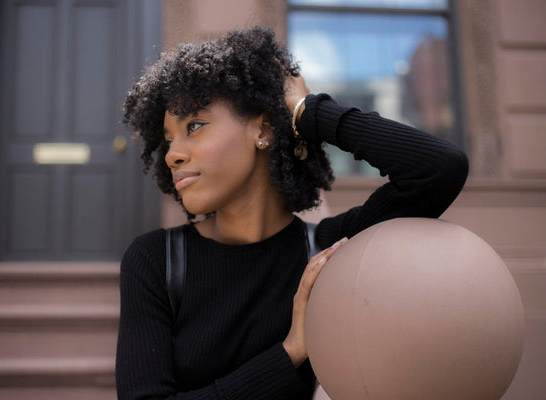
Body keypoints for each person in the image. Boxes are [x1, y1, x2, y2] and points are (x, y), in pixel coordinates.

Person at [115, 26, 468, 399]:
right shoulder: (157, 261)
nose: (173, 154)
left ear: (263, 128)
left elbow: (437, 168)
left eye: (195, 126)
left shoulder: (328, 254)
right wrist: (290, 352)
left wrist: (307, 111)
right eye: (169, 139)